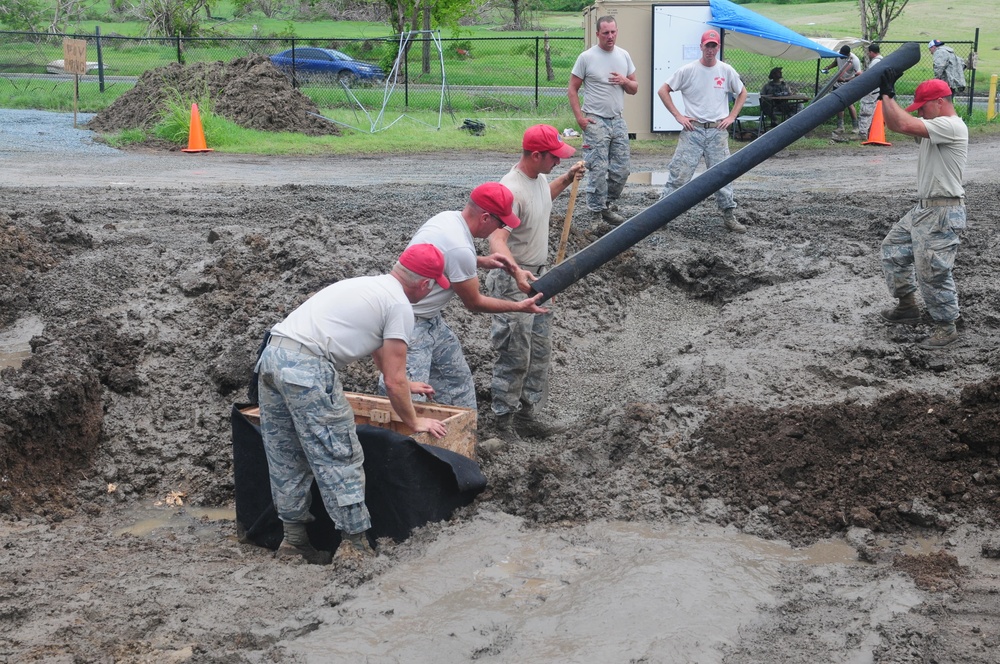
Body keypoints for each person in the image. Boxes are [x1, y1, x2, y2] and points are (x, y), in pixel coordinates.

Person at [257, 244, 451, 565]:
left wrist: (402, 381)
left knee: (286, 453)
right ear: (425, 284)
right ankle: (356, 548)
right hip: (308, 368)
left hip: (272, 358)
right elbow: (393, 381)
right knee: (339, 454)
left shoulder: (370, 286)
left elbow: (383, 357)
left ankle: (293, 542)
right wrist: (415, 421)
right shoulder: (400, 305)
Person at [381, 182, 549, 411]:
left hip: (430, 320)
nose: (498, 229)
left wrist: (479, 261)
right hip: (407, 324)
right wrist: (520, 306)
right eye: (500, 223)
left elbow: (445, 258)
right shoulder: (459, 247)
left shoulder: (447, 219)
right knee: (406, 399)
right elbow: (474, 303)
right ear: (485, 218)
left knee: (458, 385)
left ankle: (458, 440)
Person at [486, 124, 586, 442]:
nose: (558, 160)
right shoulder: (510, 190)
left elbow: (542, 201)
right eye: (554, 157)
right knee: (515, 352)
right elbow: (496, 240)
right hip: (513, 279)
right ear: (535, 154)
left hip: (541, 278)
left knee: (539, 351)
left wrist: (566, 178)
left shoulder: (539, 178)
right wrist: (515, 272)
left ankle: (528, 414)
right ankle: (503, 424)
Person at [876, 73, 968, 348]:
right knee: (893, 250)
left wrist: (888, 95)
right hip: (924, 209)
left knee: (933, 271)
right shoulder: (934, 125)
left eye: (924, 106)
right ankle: (907, 307)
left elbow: (904, 121)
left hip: (943, 210)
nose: (922, 113)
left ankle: (946, 327)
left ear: (940, 102)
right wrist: (885, 95)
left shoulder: (951, 126)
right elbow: (896, 126)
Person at [656, 29, 748, 234]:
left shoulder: (726, 71)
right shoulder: (688, 70)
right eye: (707, 45)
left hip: (717, 131)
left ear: (718, 47)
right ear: (701, 47)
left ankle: (728, 215)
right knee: (679, 175)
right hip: (693, 131)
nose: (710, 49)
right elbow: (663, 90)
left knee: (723, 175)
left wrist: (732, 116)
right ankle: (660, 216)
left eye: (714, 46)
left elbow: (742, 92)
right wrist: (678, 116)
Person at [568, 15, 638, 226]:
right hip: (595, 120)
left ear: (617, 32)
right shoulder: (587, 57)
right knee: (598, 168)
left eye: (613, 32)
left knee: (622, 169)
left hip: (617, 120)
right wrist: (580, 118)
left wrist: (625, 80)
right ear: (598, 33)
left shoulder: (624, 55)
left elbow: (635, 88)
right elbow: (572, 88)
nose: (610, 36)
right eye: (605, 32)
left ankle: (607, 204)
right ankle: (595, 214)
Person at [822, 45, 862, 133]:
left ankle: (855, 127)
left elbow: (858, 74)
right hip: (838, 83)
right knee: (839, 104)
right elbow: (836, 62)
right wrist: (828, 67)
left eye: (843, 55)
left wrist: (845, 80)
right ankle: (840, 127)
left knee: (850, 105)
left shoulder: (854, 60)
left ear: (848, 54)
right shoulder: (839, 55)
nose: (841, 56)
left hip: (848, 84)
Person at [858, 43, 883, 139]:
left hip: (872, 90)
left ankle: (863, 133)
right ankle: (869, 130)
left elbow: (871, 77)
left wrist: (862, 75)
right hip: (877, 90)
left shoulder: (875, 62)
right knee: (872, 111)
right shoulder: (882, 60)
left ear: (872, 52)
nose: (868, 54)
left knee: (866, 110)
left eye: (869, 52)